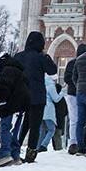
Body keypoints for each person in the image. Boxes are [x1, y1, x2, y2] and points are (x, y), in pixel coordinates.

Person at [12, 31, 57, 163]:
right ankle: (31, 152)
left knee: (23, 123)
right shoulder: (40, 57)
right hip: (37, 96)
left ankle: (16, 147)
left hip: (22, 95)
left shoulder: (18, 56)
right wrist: (47, 57)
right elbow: (52, 71)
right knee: (34, 125)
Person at [0, 52, 29, 167]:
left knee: (6, 129)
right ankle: (15, 155)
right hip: (21, 107)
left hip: (9, 106)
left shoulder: (7, 71)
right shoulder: (21, 72)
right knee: (15, 132)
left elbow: (3, 89)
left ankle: (5, 154)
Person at [64, 43, 86, 154]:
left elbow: (66, 78)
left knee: (75, 119)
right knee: (76, 119)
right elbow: (67, 78)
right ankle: (74, 142)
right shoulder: (74, 64)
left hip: (75, 93)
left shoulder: (72, 63)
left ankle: (76, 142)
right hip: (75, 94)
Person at [38, 74, 63, 152]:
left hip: (41, 108)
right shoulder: (51, 86)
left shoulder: (42, 84)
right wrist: (62, 93)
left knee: (42, 130)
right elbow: (56, 99)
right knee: (51, 129)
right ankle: (43, 145)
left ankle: (38, 146)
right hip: (49, 109)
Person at [53, 82, 68, 151]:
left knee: (54, 135)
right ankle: (58, 149)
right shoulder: (63, 99)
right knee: (57, 135)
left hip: (54, 119)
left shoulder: (54, 99)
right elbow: (66, 111)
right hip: (60, 120)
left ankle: (58, 149)